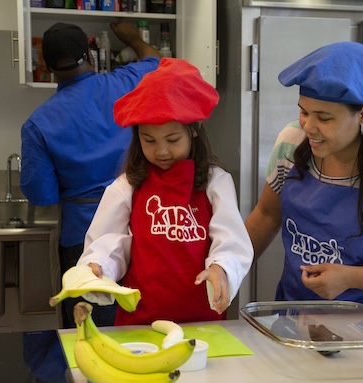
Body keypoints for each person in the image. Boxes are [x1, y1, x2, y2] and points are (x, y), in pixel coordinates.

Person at [245, 42, 363, 313]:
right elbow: (267, 215)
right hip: (294, 317)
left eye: (324, 118)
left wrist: (350, 277)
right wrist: (228, 268)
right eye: (304, 112)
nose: (308, 127)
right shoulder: (292, 144)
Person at [74, 58, 254, 325]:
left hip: (202, 321)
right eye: (149, 140)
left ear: (194, 131)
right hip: (140, 321)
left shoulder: (215, 182)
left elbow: (230, 241)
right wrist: (99, 267)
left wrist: (221, 267)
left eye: (172, 140)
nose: (162, 151)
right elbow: (108, 242)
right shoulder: (128, 185)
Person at [20, 22, 161, 328]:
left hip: (83, 240)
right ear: (91, 56)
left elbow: (40, 194)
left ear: (46, 66)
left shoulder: (38, 123)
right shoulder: (126, 82)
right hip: (142, 224)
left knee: (90, 331)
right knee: (144, 324)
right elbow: (156, 61)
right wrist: (134, 38)